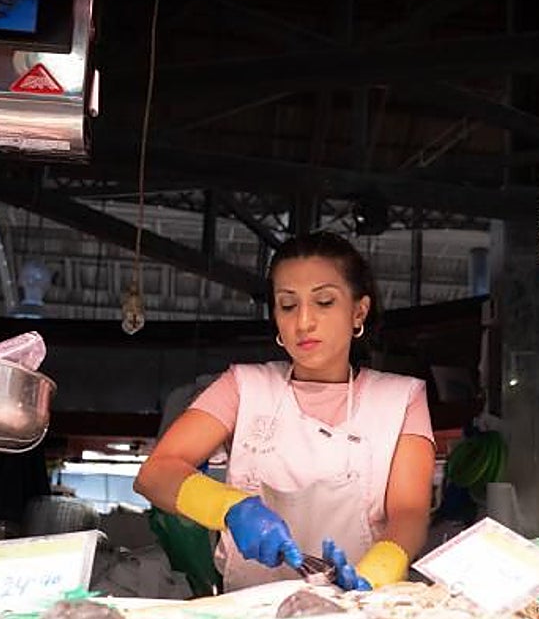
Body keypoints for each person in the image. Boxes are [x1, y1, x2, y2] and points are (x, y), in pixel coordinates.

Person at [134, 231, 436, 592]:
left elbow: (410, 513)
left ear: (359, 311)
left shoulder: (401, 398)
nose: (304, 322)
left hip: (360, 613)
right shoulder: (243, 386)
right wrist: (230, 507)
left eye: (324, 302)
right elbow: (155, 474)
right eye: (288, 305)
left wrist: (377, 573)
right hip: (251, 613)